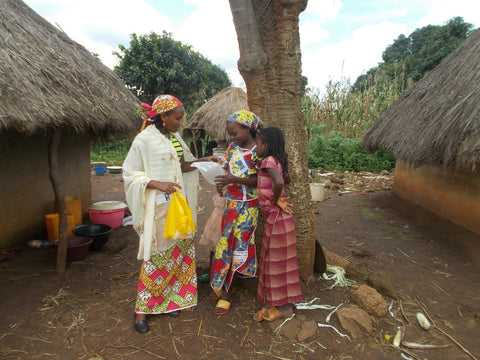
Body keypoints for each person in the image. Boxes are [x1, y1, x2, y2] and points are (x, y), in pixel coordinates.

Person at [123, 94, 221, 333]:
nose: (181, 121)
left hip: (178, 205)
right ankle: (141, 312)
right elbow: (129, 173)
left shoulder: (174, 137)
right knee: (157, 256)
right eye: (177, 117)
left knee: (177, 254)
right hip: (158, 208)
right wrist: (157, 183)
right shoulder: (144, 140)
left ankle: (167, 302)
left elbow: (183, 166)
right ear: (163, 117)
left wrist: (202, 160)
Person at [210, 110, 261, 315]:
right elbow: (227, 169)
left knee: (241, 245)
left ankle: (229, 291)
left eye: (234, 133)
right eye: (230, 134)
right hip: (231, 205)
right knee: (224, 244)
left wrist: (235, 180)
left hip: (248, 206)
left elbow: (261, 180)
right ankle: (219, 282)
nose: (232, 138)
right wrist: (220, 178)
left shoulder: (259, 150)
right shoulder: (232, 148)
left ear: (247, 129)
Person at [252, 127, 303, 322]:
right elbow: (286, 178)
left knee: (275, 263)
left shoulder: (267, 161)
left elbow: (280, 182)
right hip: (282, 221)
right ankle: (280, 303)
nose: (255, 147)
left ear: (265, 145)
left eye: (257, 143)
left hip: (276, 219)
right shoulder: (278, 161)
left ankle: (282, 307)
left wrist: (275, 200)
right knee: (282, 262)